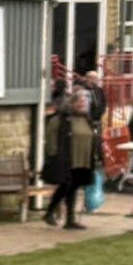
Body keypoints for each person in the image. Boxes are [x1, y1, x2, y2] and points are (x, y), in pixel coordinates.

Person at [42, 90, 97, 230]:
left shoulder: (87, 119)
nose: (82, 105)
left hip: (83, 160)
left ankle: (69, 220)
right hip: (67, 159)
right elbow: (51, 138)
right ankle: (51, 212)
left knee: (73, 189)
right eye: (79, 102)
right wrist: (53, 155)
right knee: (66, 186)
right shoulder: (61, 120)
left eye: (84, 102)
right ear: (72, 103)